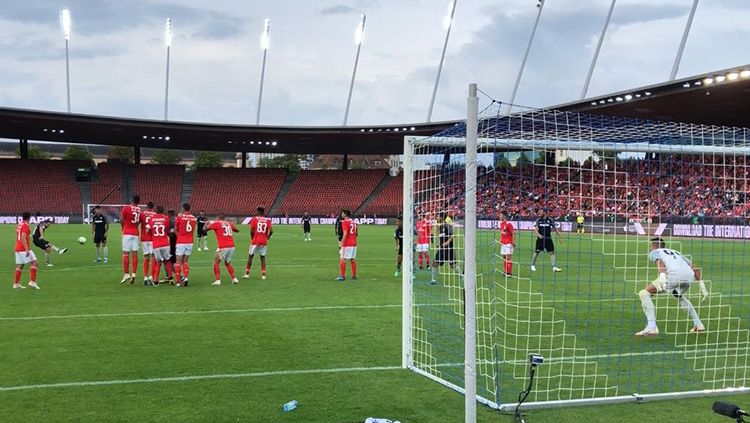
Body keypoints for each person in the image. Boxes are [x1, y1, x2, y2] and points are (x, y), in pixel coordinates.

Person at [635, 237, 709, 336]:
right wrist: (702, 285)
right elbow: (694, 267)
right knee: (678, 295)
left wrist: (662, 276)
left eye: (650, 246)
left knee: (644, 293)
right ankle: (699, 324)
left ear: (653, 246)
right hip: (689, 277)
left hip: (673, 276)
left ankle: (651, 327)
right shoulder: (675, 252)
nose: (649, 248)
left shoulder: (654, 252)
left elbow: (659, 262)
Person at [205, 214, 240, 286]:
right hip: (232, 246)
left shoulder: (217, 223)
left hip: (223, 246)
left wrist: (206, 224)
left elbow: (204, 230)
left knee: (216, 262)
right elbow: (237, 230)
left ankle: (218, 280)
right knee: (227, 263)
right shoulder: (228, 223)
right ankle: (234, 278)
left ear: (218, 217)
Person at [244, 206, 273, 280]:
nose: (256, 212)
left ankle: (247, 274)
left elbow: (251, 231)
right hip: (264, 241)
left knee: (251, 256)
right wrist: (268, 237)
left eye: (257, 211)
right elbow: (272, 231)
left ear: (259, 212)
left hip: (255, 240)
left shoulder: (255, 219)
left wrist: (252, 238)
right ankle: (263, 275)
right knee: (262, 257)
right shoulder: (267, 220)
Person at [431, 212, 459, 285]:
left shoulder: (447, 225)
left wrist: (447, 242)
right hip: (442, 250)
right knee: (434, 263)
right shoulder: (441, 227)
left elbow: (453, 235)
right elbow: (441, 237)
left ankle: (463, 277)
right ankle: (433, 280)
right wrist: (438, 244)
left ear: (441, 217)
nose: (436, 218)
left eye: (438, 216)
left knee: (453, 266)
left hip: (449, 249)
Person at [13, 212, 39, 289]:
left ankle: (16, 284)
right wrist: (27, 249)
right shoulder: (26, 225)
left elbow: (18, 235)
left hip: (17, 247)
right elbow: (23, 237)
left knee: (20, 265)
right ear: (29, 217)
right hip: (23, 248)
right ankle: (32, 282)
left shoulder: (19, 224)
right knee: (34, 262)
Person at [120, 195, 141, 284]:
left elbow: (121, 219)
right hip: (135, 233)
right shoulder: (139, 210)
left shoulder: (126, 207)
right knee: (135, 254)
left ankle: (126, 274)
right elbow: (139, 221)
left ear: (132, 200)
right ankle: (134, 273)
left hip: (127, 233)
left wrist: (124, 227)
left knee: (126, 254)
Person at [174, 203, 197, 287]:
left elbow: (175, 229)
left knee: (178, 262)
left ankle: (177, 281)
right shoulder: (194, 218)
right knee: (185, 261)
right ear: (190, 209)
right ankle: (186, 277)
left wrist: (178, 236)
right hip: (190, 242)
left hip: (181, 241)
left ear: (183, 209)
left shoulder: (180, 217)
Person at [148, 206, 171, 287]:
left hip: (156, 244)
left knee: (158, 262)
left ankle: (156, 280)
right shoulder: (166, 218)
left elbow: (148, 230)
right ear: (163, 210)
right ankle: (170, 277)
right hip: (165, 242)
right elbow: (167, 229)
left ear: (155, 211)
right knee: (167, 260)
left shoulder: (151, 219)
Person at [337, 209, 358, 281]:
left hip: (347, 244)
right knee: (352, 259)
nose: (341, 214)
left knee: (342, 259)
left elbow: (345, 233)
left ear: (345, 214)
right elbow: (356, 233)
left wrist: (341, 243)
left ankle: (342, 276)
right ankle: (354, 276)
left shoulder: (344, 222)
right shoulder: (353, 222)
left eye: (342, 213)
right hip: (354, 243)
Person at [139, 202, 156, 285]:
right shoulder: (155, 215)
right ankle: (151, 276)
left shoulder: (142, 214)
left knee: (146, 257)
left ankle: (145, 277)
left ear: (146, 206)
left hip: (144, 238)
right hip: (152, 239)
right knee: (153, 258)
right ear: (153, 207)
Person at [498, 211, 515, 276]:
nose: (499, 216)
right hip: (504, 243)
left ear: (504, 216)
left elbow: (513, 233)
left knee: (508, 257)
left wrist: (513, 241)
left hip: (509, 243)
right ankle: (505, 271)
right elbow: (502, 232)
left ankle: (509, 272)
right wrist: (501, 240)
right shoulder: (501, 224)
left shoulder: (508, 224)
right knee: (504, 257)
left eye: (500, 215)